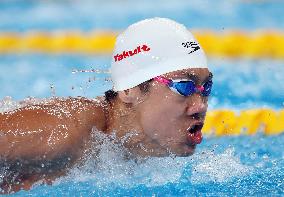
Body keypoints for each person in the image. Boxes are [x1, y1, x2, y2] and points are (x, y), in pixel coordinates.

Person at [0, 17, 213, 193]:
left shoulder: (142, 149)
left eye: (206, 87)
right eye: (184, 86)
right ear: (129, 89)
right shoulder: (64, 132)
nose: (200, 106)